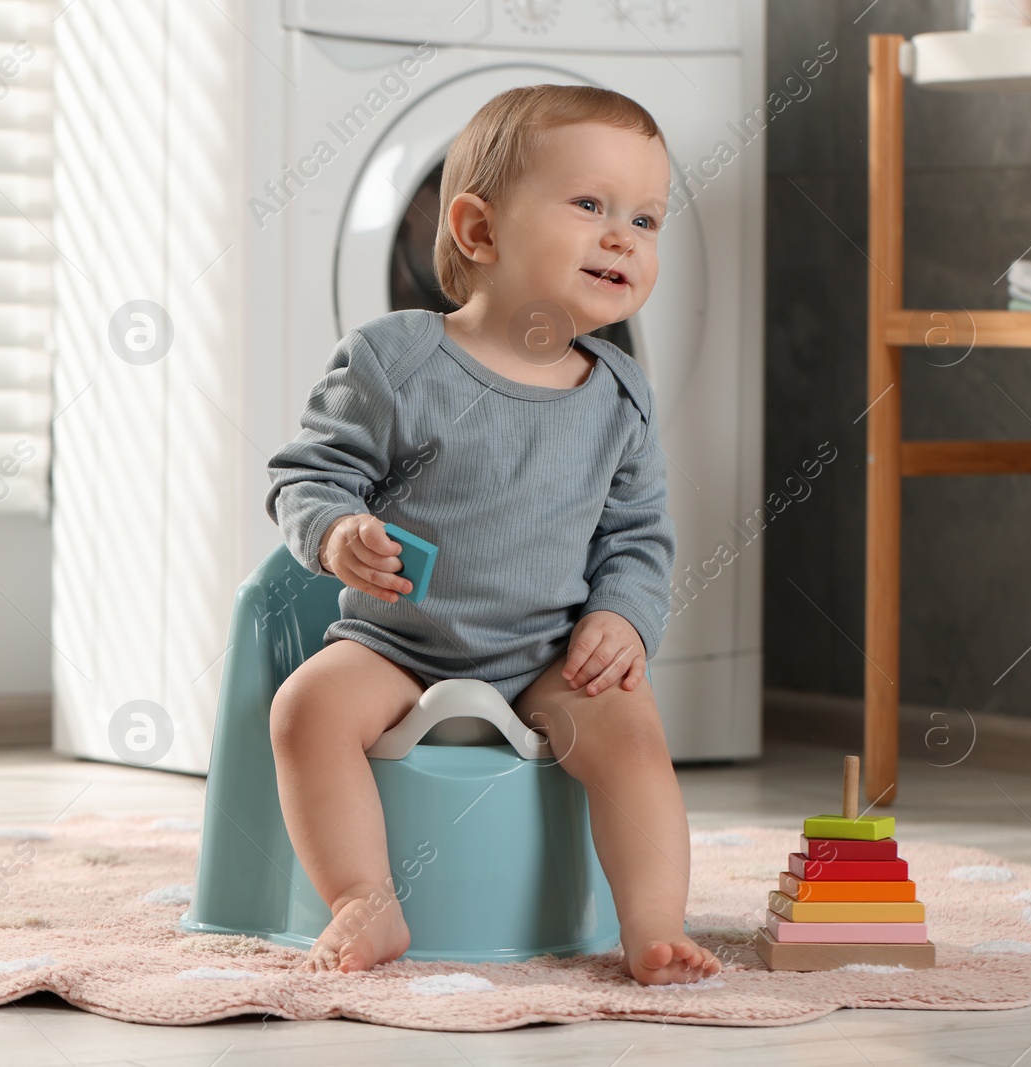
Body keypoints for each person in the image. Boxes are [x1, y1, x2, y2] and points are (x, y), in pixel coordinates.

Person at [265, 84, 720, 985]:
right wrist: (337, 532)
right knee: (304, 710)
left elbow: (638, 539)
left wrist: (623, 620)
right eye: (590, 204)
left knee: (630, 731)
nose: (624, 233)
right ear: (477, 231)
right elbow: (307, 475)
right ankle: (365, 897)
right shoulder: (392, 358)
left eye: (646, 217)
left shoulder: (620, 397)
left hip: (547, 652)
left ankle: (653, 923)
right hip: (397, 643)